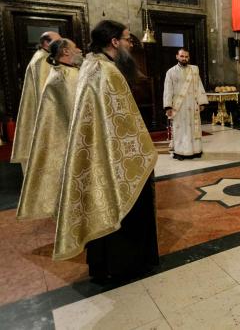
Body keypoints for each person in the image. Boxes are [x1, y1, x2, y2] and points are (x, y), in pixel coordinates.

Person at [54, 20, 159, 282]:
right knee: (128, 204)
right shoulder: (108, 71)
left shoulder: (90, 65)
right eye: (126, 39)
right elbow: (126, 123)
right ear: (114, 42)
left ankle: (105, 265)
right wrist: (144, 152)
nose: (129, 44)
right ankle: (128, 264)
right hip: (114, 154)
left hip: (96, 151)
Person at [17, 38, 83, 220]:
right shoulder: (61, 77)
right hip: (67, 139)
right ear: (65, 52)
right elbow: (74, 111)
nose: (79, 49)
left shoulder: (68, 71)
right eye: (74, 47)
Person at [11, 31, 61, 171]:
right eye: (57, 41)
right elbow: (44, 92)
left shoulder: (46, 57)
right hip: (42, 114)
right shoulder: (42, 60)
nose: (60, 44)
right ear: (46, 43)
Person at [163, 48, 209, 160]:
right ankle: (180, 152)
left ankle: (196, 151)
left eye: (186, 57)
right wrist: (168, 106)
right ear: (177, 57)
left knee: (194, 128)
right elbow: (168, 90)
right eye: (182, 56)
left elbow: (199, 86)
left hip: (193, 105)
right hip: (178, 106)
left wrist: (202, 102)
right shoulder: (171, 72)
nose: (184, 58)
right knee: (180, 129)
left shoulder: (194, 70)